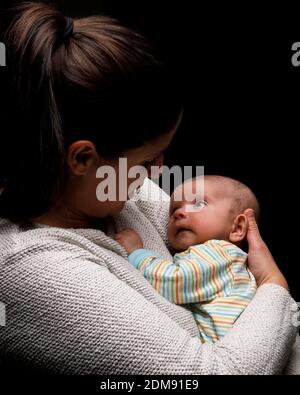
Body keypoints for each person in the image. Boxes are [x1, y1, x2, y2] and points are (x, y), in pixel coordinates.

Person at [0, 2, 299, 374]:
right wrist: (273, 285)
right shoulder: (34, 271)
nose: (159, 172)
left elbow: (212, 242)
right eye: (147, 161)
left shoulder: (114, 191)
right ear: (81, 159)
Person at [114, 176, 259, 343]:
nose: (179, 213)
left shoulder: (220, 253)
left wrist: (137, 252)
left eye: (198, 204)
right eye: (173, 210)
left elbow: (173, 281)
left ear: (238, 227)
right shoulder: (214, 258)